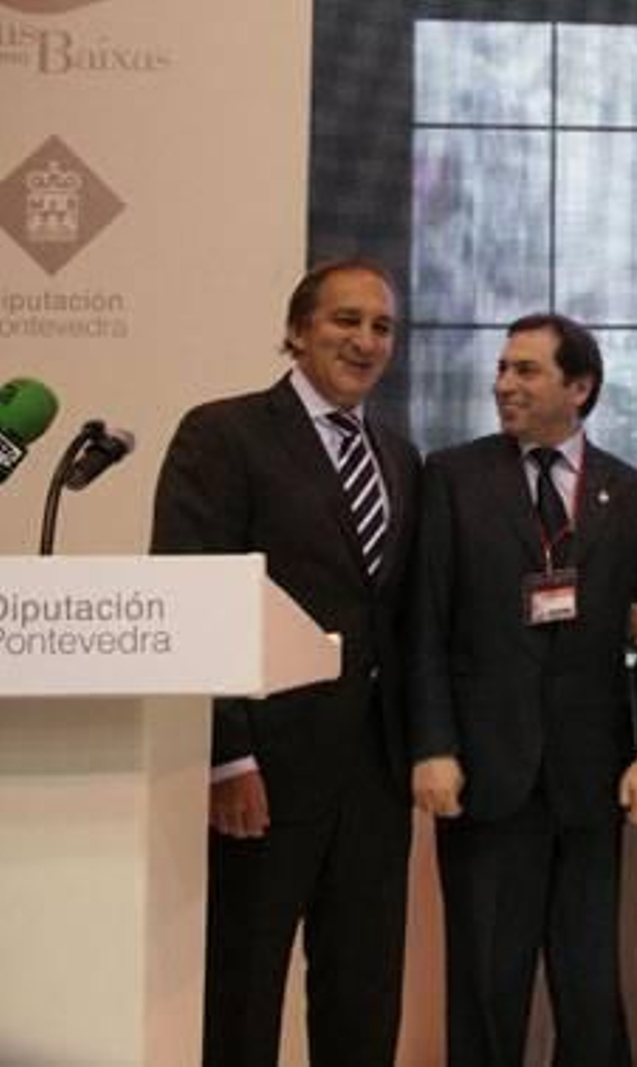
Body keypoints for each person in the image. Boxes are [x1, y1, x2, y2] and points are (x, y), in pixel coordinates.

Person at [150, 257, 419, 1067]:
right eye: (346, 320)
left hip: (375, 772)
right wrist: (227, 752)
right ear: (298, 329)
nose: (365, 340)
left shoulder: (400, 457)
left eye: (381, 326)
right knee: (243, 987)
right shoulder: (223, 432)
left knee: (364, 991)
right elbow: (191, 594)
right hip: (264, 770)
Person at [407, 312, 637, 1066]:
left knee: (590, 987)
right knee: (486, 986)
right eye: (502, 368)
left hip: (592, 780)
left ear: (580, 386)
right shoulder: (453, 477)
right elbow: (424, 627)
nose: (503, 384)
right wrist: (432, 744)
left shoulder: (631, 495)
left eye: (526, 370)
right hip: (484, 777)